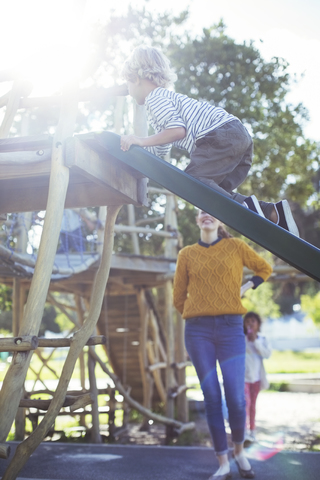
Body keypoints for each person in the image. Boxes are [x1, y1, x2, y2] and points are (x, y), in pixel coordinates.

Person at [120, 46, 299, 237]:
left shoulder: (155, 98)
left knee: (193, 182)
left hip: (221, 135)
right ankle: (273, 212)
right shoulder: (164, 100)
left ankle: (248, 209)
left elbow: (177, 131)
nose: (128, 90)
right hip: (237, 138)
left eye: (127, 84)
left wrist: (139, 140)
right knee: (214, 194)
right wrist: (140, 151)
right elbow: (160, 146)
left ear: (136, 78)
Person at [173, 209, 272, 480]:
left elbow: (265, 268)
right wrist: (197, 313)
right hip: (198, 332)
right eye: (202, 212)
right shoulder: (187, 254)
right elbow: (178, 297)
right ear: (197, 219)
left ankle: (239, 451)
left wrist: (244, 287)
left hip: (231, 330)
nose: (207, 215)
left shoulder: (236, 246)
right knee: (212, 398)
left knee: (237, 399)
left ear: (220, 220)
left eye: (213, 212)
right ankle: (223, 462)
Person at [243, 311, 272, 443]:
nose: (250, 324)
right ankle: (243, 432)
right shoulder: (241, 339)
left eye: (252, 321)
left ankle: (252, 430)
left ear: (258, 324)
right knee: (245, 403)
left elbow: (266, 354)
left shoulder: (263, 339)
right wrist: (248, 339)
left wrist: (255, 342)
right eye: (247, 321)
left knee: (253, 405)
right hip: (244, 378)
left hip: (256, 378)